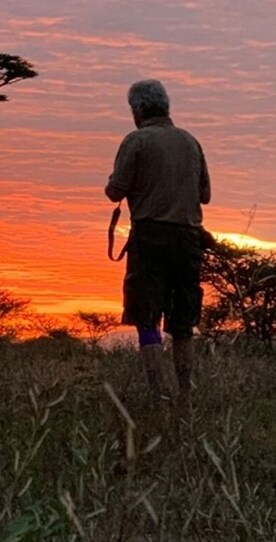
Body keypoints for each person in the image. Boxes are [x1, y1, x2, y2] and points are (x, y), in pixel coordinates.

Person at [106, 79, 210, 400]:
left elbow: (114, 191)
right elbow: (204, 195)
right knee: (183, 319)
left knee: (146, 314)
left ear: (137, 110)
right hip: (189, 239)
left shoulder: (136, 141)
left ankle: (155, 391)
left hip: (150, 237)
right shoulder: (190, 142)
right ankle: (184, 390)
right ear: (166, 105)